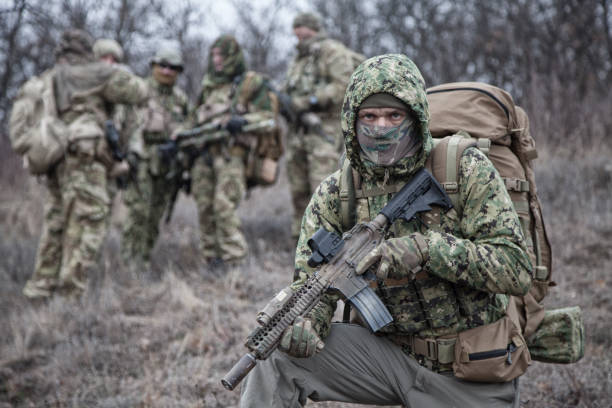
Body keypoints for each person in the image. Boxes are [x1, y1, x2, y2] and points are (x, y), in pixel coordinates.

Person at [240, 54, 533, 407]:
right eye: (370, 116)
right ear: (352, 121)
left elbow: (516, 269)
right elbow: (313, 284)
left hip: (468, 369)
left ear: (416, 118)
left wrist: (427, 251)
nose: (381, 127)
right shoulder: (338, 192)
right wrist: (308, 322)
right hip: (385, 359)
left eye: (394, 115)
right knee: (275, 357)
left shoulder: (464, 169)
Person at [22, 30, 148, 300]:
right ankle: (70, 294)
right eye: (104, 57)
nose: (108, 62)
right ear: (91, 54)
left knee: (56, 223)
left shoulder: (52, 76)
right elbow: (139, 91)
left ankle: (40, 289)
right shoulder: (95, 74)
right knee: (88, 222)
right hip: (84, 159)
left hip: (58, 156)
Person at [191, 35, 279, 267]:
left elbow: (269, 119)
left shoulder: (249, 84)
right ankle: (212, 261)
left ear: (233, 56)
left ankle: (234, 263)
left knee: (224, 206)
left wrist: (242, 122)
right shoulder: (208, 85)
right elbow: (194, 118)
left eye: (222, 55)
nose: (217, 60)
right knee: (205, 208)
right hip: (204, 156)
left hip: (233, 156)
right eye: (214, 55)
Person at [283, 12, 363, 240]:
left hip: (323, 131)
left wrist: (308, 101)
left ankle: (326, 243)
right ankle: (299, 244)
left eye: (303, 29)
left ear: (314, 29)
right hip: (298, 132)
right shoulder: (299, 57)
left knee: (323, 191)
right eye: (296, 29)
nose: (298, 33)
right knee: (298, 192)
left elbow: (342, 86)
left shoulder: (332, 51)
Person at [120, 45, 190, 268]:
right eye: (163, 66)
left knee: (155, 216)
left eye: (173, 68)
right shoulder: (140, 91)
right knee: (138, 213)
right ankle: (129, 264)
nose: (168, 71)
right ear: (154, 66)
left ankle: (144, 260)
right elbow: (128, 125)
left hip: (168, 166)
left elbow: (188, 126)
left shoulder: (180, 99)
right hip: (142, 162)